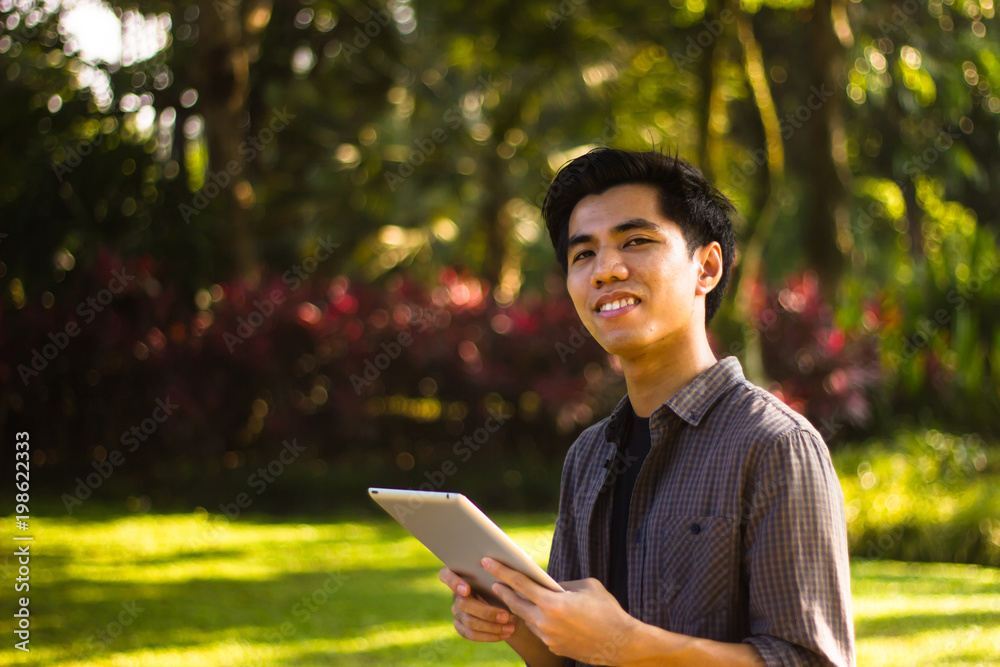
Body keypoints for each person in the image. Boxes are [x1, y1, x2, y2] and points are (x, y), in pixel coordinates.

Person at [439, 148, 855, 667]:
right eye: (582, 254)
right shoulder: (588, 456)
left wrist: (627, 644)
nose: (606, 270)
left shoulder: (775, 446)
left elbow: (809, 661)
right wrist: (516, 622)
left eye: (635, 241)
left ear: (705, 267)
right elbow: (571, 657)